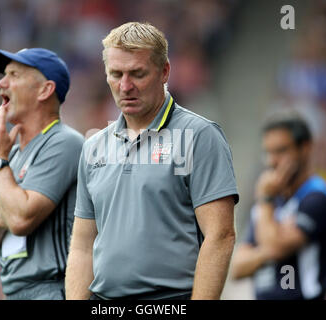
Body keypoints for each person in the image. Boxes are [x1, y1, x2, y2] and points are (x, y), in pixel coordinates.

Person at [65, 22, 239, 300]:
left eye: (137, 73)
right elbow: (83, 245)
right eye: (115, 74)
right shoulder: (93, 146)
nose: (125, 86)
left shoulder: (200, 136)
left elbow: (220, 236)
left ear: (164, 72)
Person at [0, 48, 84, 300]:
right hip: (16, 294)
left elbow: (21, 221)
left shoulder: (64, 142)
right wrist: (7, 212)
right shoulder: (9, 155)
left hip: (54, 289)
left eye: (14, 74)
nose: (1, 82)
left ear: (44, 90)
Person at [230, 110, 326, 300]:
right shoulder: (268, 203)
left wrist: (266, 205)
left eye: (281, 151)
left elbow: (274, 247)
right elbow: (238, 268)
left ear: (305, 148)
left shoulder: (317, 198)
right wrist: (271, 243)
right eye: (268, 152)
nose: (272, 161)